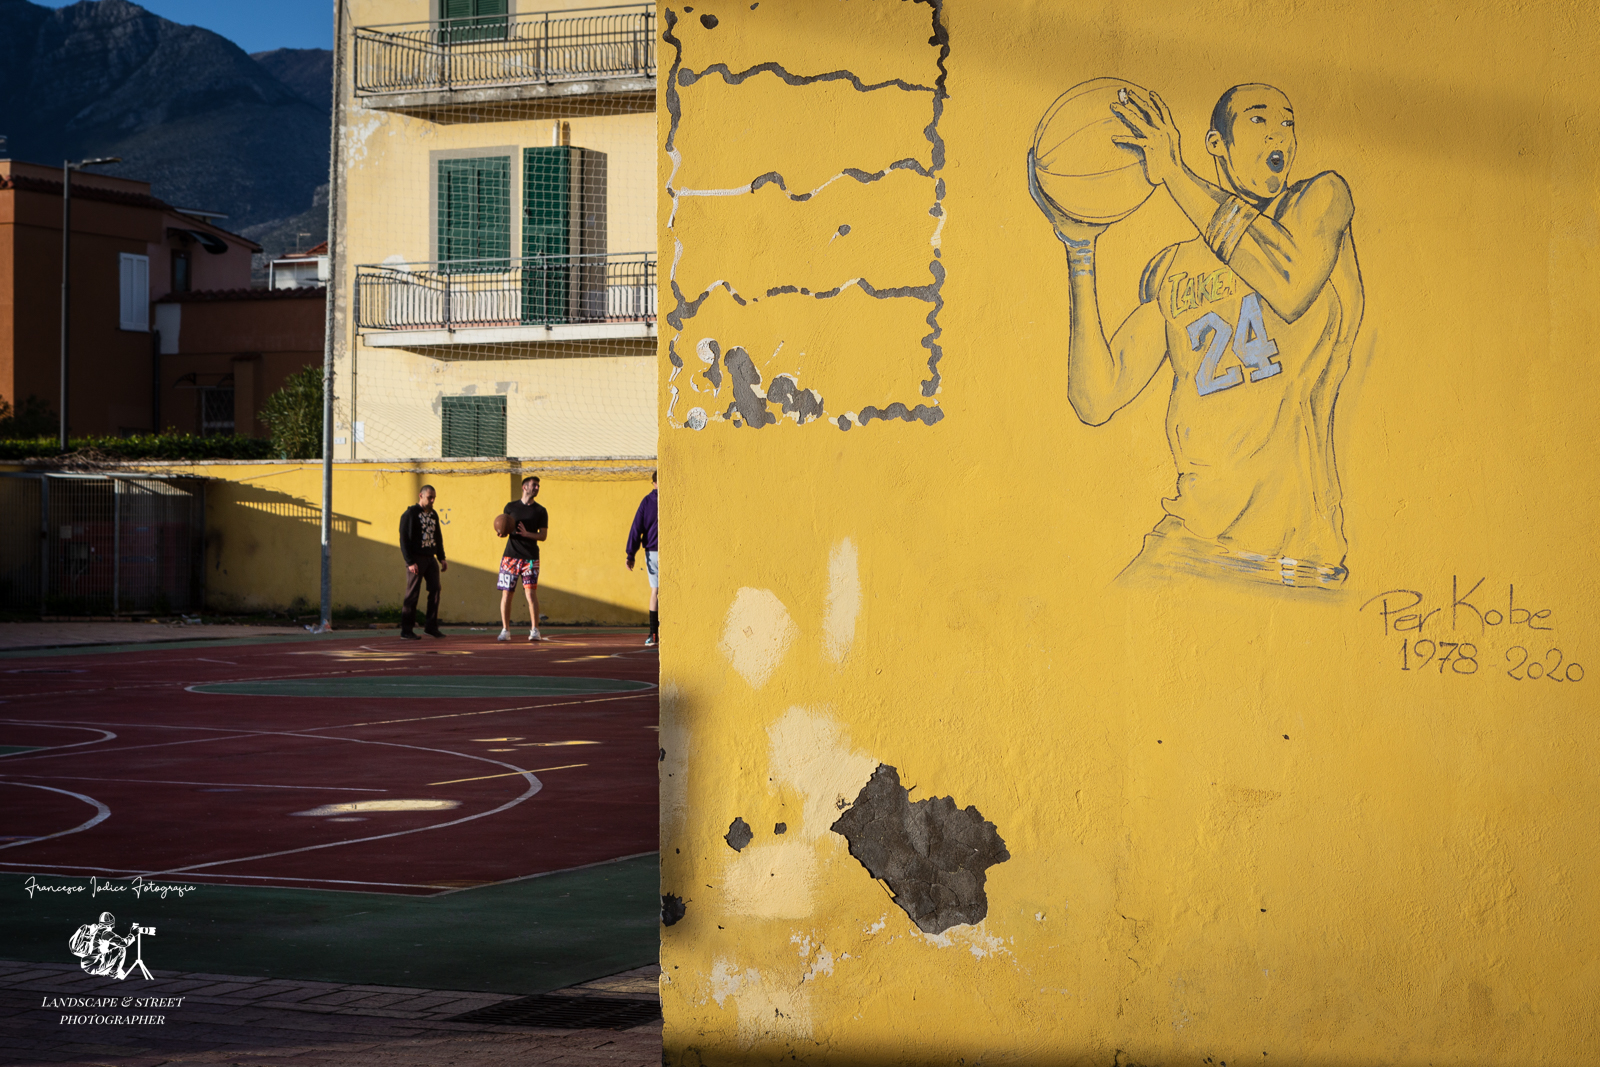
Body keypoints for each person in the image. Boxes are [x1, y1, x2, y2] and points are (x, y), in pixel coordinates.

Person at [1028, 83, 1364, 590]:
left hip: (1291, 556)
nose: (1280, 132)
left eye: (1287, 121)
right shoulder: (1174, 267)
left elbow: (1289, 286)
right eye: (1258, 119)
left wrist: (1174, 174)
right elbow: (1095, 398)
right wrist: (1079, 251)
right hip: (1187, 541)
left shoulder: (1320, 204)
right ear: (1217, 143)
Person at [497, 475, 549, 641]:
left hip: (530, 559)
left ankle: (535, 630)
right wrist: (501, 532)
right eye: (534, 485)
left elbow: (543, 536)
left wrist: (527, 534)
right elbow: (505, 529)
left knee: (531, 595)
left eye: (538, 486)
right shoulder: (510, 507)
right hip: (510, 558)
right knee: (507, 594)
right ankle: (505, 630)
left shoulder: (541, 511)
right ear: (524, 487)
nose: (537, 488)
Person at [398, 484, 448, 639]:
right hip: (416, 559)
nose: (432, 500)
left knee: (435, 590)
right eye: (429, 497)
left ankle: (431, 627)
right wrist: (410, 561)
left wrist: (441, 557)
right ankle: (406, 630)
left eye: (434, 498)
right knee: (412, 593)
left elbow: (437, 536)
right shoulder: (410, 514)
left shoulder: (433, 514)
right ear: (421, 496)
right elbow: (404, 539)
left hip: (430, 558)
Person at [625, 471, 659, 646]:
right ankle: (654, 632)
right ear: (653, 483)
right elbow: (636, 528)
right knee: (658, 591)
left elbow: (636, 528)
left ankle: (654, 634)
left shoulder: (647, 501)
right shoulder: (650, 501)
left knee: (656, 591)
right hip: (656, 551)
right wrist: (630, 553)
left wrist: (631, 553)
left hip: (655, 551)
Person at [69, 911, 133, 978]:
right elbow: (124, 943)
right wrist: (133, 934)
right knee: (121, 949)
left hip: (85, 966)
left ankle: (107, 971)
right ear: (111, 925)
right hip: (96, 965)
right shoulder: (105, 933)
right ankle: (115, 973)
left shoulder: (93, 929)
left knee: (104, 951)